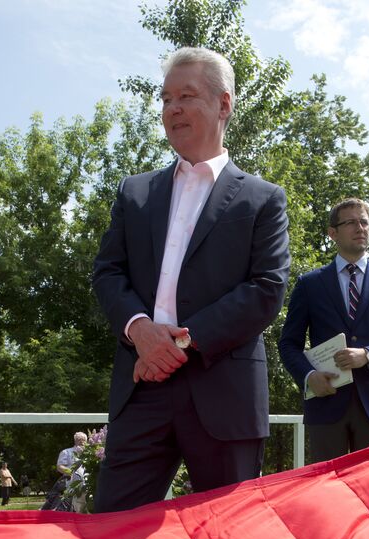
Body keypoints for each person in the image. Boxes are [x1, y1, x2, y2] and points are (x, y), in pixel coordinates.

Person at [92, 47, 290, 512]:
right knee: (110, 533)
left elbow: (266, 289)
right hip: (140, 390)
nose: (172, 108)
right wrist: (141, 331)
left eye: (186, 96)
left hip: (224, 397)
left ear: (224, 104)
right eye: (165, 99)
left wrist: (175, 347)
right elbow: (107, 272)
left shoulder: (263, 199)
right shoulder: (134, 191)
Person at [279, 198, 369, 463]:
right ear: (333, 233)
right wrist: (308, 376)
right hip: (325, 402)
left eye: (364, 222)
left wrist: (367, 355)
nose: (360, 228)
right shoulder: (310, 284)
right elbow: (288, 344)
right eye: (351, 222)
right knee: (326, 492)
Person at [55, 431, 88, 513]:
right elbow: (60, 466)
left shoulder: (90, 453)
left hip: (87, 485)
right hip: (71, 485)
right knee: (73, 508)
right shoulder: (66, 452)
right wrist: (72, 472)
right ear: (75, 440)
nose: (81, 441)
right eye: (79, 439)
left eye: (83, 439)